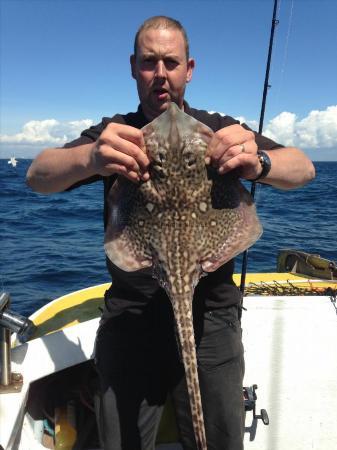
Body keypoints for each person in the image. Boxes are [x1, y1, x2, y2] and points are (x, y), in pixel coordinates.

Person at [27, 16, 315, 450]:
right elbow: (38, 176)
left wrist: (259, 163)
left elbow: (305, 169)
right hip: (131, 316)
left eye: (170, 62)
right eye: (149, 62)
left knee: (217, 439)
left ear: (189, 68)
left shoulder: (217, 128)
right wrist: (92, 157)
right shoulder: (116, 132)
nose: (160, 73)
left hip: (212, 318)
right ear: (133, 67)